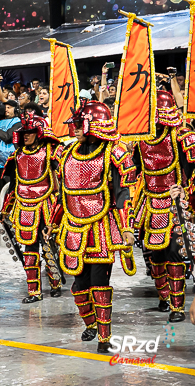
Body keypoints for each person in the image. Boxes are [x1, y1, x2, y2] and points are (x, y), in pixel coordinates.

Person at [45, 100, 137, 353]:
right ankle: (91, 324)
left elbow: (123, 193)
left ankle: (105, 337)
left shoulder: (115, 153)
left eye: (78, 124)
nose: (73, 128)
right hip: (73, 228)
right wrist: (53, 223)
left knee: (100, 283)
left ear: (93, 125)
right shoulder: (65, 154)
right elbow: (64, 195)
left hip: (102, 228)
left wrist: (127, 227)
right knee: (78, 286)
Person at [130, 91, 195, 322]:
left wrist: (187, 194)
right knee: (153, 255)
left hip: (175, 203)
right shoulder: (140, 141)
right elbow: (135, 170)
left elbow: (194, 169)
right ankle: (164, 296)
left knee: (174, 254)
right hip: (149, 202)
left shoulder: (182, 137)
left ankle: (177, 306)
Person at [1, 114, 64, 303]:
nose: (26, 136)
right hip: (23, 205)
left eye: (30, 132)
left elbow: (62, 177)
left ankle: (56, 283)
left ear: (39, 132)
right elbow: (13, 183)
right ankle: (33, 291)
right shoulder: (16, 155)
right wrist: (6, 208)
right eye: (24, 133)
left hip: (46, 203)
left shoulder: (51, 151)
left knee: (49, 246)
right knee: (29, 249)